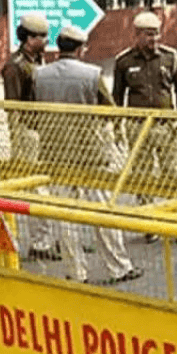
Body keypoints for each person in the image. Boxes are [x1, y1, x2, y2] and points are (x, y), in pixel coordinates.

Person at [33, 25, 144, 285]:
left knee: (66, 216)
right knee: (102, 211)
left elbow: (32, 109)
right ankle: (118, 267)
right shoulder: (92, 74)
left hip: (54, 152)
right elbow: (110, 109)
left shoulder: (40, 75)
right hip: (91, 152)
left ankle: (76, 271)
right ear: (81, 48)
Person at [112, 10, 177, 245]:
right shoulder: (124, 61)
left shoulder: (171, 57)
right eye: (148, 35)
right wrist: (118, 126)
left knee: (172, 174)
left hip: (166, 126)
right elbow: (117, 96)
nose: (154, 39)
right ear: (136, 35)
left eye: (157, 34)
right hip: (137, 128)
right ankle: (151, 223)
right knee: (143, 175)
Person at [1, 13, 59, 261]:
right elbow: (13, 106)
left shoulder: (39, 61)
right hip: (28, 131)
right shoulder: (16, 66)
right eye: (40, 36)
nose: (45, 40)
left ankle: (49, 238)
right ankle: (40, 243)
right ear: (27, 38)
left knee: (49, 186)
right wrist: (19, 138)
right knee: (37, 190)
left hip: (44, 129)